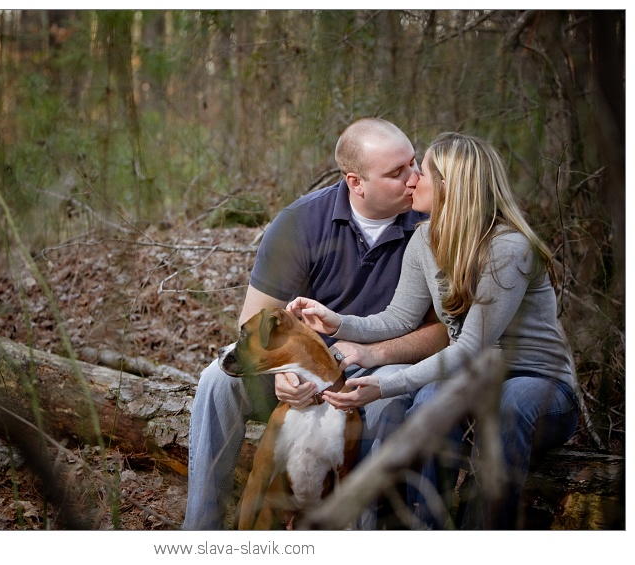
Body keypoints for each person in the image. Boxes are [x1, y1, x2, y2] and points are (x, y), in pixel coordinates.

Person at [288, 132, 580, 529]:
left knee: (507, 405)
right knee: (427, 400)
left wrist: (385, 385)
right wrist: (338, 322)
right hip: (473, 379)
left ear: (449, 186)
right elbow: (399, 319)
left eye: (421, 172)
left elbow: (471, 347)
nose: (412, 180)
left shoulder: (509, 248)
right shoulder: (425, 239)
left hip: (538, 384)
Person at [182, 117, 449, 530]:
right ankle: (202, 532)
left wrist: (371, 354)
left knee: (393, 400)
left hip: (378, 367)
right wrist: (279, 377)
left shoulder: (432, 226)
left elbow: (442, 332)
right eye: (397, 172)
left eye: (414, 163)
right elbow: (251, 324)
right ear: (355, 182)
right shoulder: (300, 223)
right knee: (218, 381)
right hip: (300, 369)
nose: (416, 179)